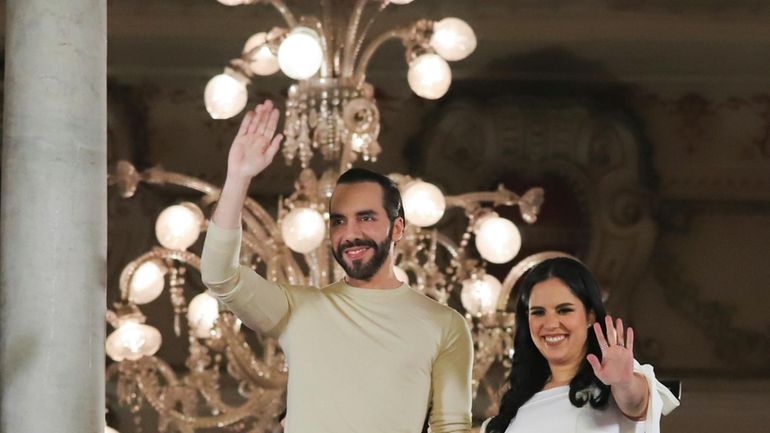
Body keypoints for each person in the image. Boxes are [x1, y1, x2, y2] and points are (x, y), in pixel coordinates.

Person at [200, 100, 473, 433]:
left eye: (366, 218)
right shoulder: (297, 311)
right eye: (339, 221)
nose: (350, 234)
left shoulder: (444, 325)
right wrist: (238, 177)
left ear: (398, 228)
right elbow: (220, 275)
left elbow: (453, 428)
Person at [481, 257, 679, 433]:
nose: (550, 324)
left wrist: (623, 381)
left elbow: (635, 403)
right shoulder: (519, 401)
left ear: (590, 316)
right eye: (538, 312)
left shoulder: (613, 380)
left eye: (564, 310)